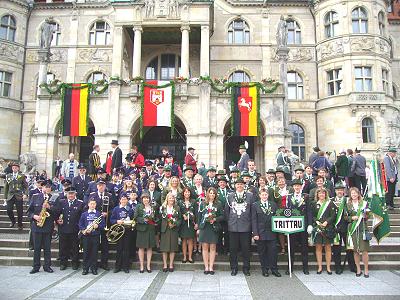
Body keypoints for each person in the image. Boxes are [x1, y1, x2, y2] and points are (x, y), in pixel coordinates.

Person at [225, 178, 254, 276]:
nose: (239, 186)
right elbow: (227, 211)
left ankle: (246, 268)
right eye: (238, 184)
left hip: (246, 226)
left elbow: (252, 212)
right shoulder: (230, 196)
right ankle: (234, 268)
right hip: (233, 226)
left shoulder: (250, 196)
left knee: (246, 249)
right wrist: (230, 222)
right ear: (235, 186)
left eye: (241, 184)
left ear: (244, 185)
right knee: (233, 249)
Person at [252, 189, 281, 277]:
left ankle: (274, 269)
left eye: (266, 195)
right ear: (259, 195)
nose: (264, 196)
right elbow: (254, 220)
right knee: (262, 252)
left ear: (268, 195)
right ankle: (264, 269)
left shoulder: (273, 204)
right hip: (260, 233)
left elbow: (277, 217)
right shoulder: (255, 205)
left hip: (272, 232)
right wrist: (255, 233)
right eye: (262, 195)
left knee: (273, 252)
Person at [27, 180, 54, 274]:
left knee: (47, 248)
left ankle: (47, 266)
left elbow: (57, 212)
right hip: (37, 226)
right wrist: (34, 216)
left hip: (48, 227)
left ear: (50, 188)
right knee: (37, 248)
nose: (47, 188)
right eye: (45, 187)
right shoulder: (35, 197)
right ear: (42, 188)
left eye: (48, 187)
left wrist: (50, 207)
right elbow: (29, 211)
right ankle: (36, 266)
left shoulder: (54, 198)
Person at [286, 179, 312, 275]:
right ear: (293, 187)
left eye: (298, 186)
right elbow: (287, 211)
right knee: (291, 248)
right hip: (292, 226)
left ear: (301, 187)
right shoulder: (289, 197)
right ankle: (290, 268)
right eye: (295, 186)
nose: (297, 187)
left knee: (304, 248)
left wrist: (309, 224)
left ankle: (305, 268)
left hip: (303, 226)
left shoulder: (306, 197)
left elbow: (309, 211)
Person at [55, 186, 84, 271]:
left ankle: (75, 263)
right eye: (69, 194)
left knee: (75, 247)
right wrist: (57, 220)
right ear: (66, 194)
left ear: (75, 194)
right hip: (63, 228)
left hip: (75, 229)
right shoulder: (61, 202)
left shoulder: (80, 203)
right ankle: (63, 263)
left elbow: (82, 217)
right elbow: (57, 213)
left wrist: (80, 227)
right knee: (63, 247)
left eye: (72, 194)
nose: (71, 195)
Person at [344, 187, 370, 278]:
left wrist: (365, 215)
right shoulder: (348, 204)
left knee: (364, 250)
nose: (354, 195)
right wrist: (351, 218)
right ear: (350, 195)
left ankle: (366, 269)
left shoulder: (364, 204)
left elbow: (368, 216)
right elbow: (345, 217)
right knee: (355, 250)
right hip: (352, 229)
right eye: (352, 193)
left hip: (362, 227)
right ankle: (358, 269)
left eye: (355, 193)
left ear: (358, 194)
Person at [310, 188, 336, 274]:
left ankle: (328, 267)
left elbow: (333, 215)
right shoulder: (314, 204)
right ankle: (320, 267)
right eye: (319, 193)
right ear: (317, 195)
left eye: (323, 193)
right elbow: (312, 215)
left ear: (326, 194)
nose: (321, 195)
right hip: (318, 229)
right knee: (318, 248)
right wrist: (316, 221)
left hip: (327, 228)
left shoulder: (330, 203)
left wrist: (326, 222)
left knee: (328, 247)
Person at [198, 187, 223, 275]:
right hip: (204, 227)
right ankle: (206, 267)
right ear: (207, 194)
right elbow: (199, 216)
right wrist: (198, 228)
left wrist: (215, 219)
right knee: (204, 247)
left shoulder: (218, 204)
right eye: (210, 193)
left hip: (213, 228)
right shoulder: (203, 204)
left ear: (215, 195)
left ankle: (211, 267)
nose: (212, 195)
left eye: (213, 193)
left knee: (212, 248)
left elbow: (222, 216)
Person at [332, 182, 356, 274]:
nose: (340, 191)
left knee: (349, 248)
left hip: (346, 228)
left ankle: (352, 266)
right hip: (335, 229)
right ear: (335, 191)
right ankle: (337, 267)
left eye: (341, 190)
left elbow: (351, 213)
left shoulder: (347, 201)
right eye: (338, 190)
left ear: (344, 191)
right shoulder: (331, 200)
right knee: (336, 249)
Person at [79, 198, 105, 275]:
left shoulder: (98, 214)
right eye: (91, 204)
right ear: (88, 205)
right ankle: (85, 268)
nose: (92, 205)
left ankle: (94, 268)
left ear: (96, 205)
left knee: (94, 252)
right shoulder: (84, 214)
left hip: (95, 236)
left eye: (94, 204)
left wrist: (98, 226)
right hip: (86, 236)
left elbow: (103, 225)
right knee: (86, 252)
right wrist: (84, 230)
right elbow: (80, 224)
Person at [135, 193, 159, 273]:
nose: (146, 200)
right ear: (142, 199)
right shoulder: (139, 206)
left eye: (147, 198)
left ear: (149, 199)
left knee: (150, 247)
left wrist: (155, 221)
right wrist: (143, 220)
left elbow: (156, 217)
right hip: (142, 229)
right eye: (144, 198)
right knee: (141, 248)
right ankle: (141, 266)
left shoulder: (153, 207)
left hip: (151, 229)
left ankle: (148, 265)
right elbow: (135, 217)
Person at [110, 194, 134, 273]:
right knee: (119, 249)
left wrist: (129, 222)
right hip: (118, 231)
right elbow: (111, 219)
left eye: (125, 199)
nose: (123, 201)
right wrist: (117, 221)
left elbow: (132, 220)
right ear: (120, 200)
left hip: (127, 231)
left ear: (127, 200)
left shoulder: (130, 209)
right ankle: (118, 266)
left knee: (126, 249)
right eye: (122, 199)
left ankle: (126, 267)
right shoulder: (116, 209)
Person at [159, 192, 181, 272]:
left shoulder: (177, 208)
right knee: (164, 248)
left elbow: (180, 219)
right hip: (165, 229)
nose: (171, 199)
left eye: (172, 198)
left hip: (173, 229)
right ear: (167, 199)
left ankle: (171, 264)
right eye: (170, 198)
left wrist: (175, 224)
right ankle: (165, 265)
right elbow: (159, 218)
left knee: (173, 248)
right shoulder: (162, 207)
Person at [4, 162, 28, 230]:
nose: (14, 169)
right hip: (10, 195)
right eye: (13, 168)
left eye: (16, 168)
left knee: (19, 211)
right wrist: (5, 197)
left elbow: (26, 186)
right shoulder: (8, 176)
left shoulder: (22, 176)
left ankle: (20, 224)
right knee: (9, 210)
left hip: (19, 195)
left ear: (18, 168)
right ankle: (13, 221)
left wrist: (25, 194)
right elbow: (6, 187)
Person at [179, 187, 197, 264]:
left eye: (188, 192)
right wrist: (183, 216)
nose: (187, 193)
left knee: (190, 240)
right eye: (185, 192)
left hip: (191, 224)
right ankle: (184, 256)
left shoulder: (193, 201)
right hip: (183, 223)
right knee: (184, 240)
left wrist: (196, 222)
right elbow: (177, 212)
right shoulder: (180, 202)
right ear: (183, 193)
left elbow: (196, 213)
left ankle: (190, 257)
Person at [217, 176, 230, 254]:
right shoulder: (215, 192)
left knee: (227, 233)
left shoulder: (230, 192)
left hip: (228, 216)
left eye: (224, 182)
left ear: (226, 184)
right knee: (219, 233)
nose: (222, 184)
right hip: (219, 215)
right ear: (218, 183)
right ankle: (220, 249)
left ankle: (226, 249)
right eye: (221, 182)